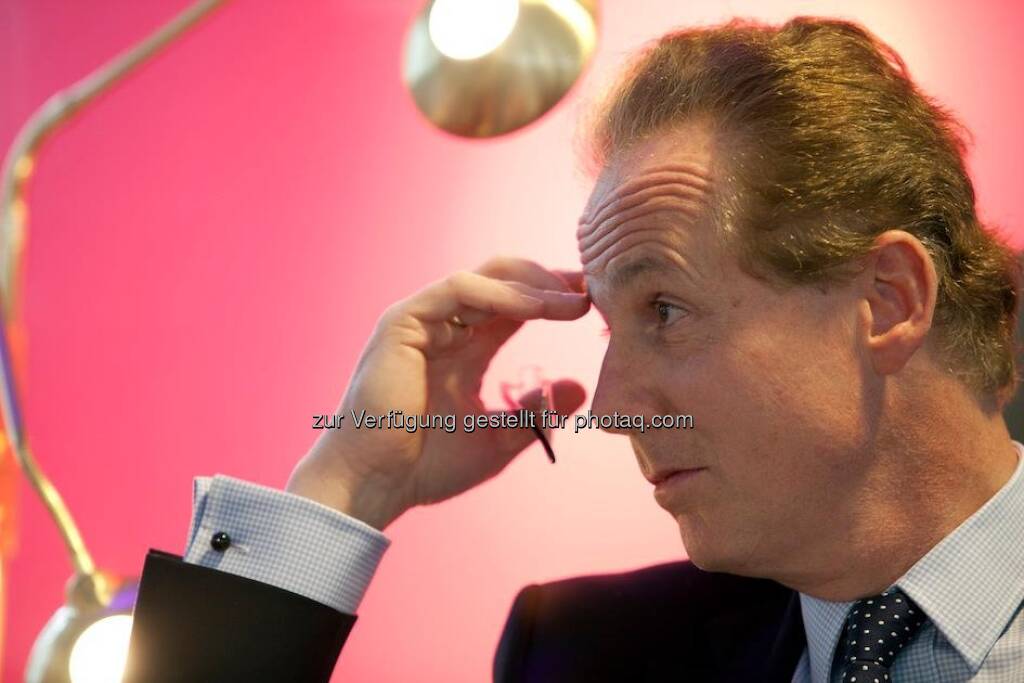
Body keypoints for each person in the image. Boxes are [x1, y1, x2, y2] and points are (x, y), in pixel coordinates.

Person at [122, 16, 1024, 683]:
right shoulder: (587, 653)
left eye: (665, 309)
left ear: (887, 301)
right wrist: (349, 484)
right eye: (608, 327)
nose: (611, 405)